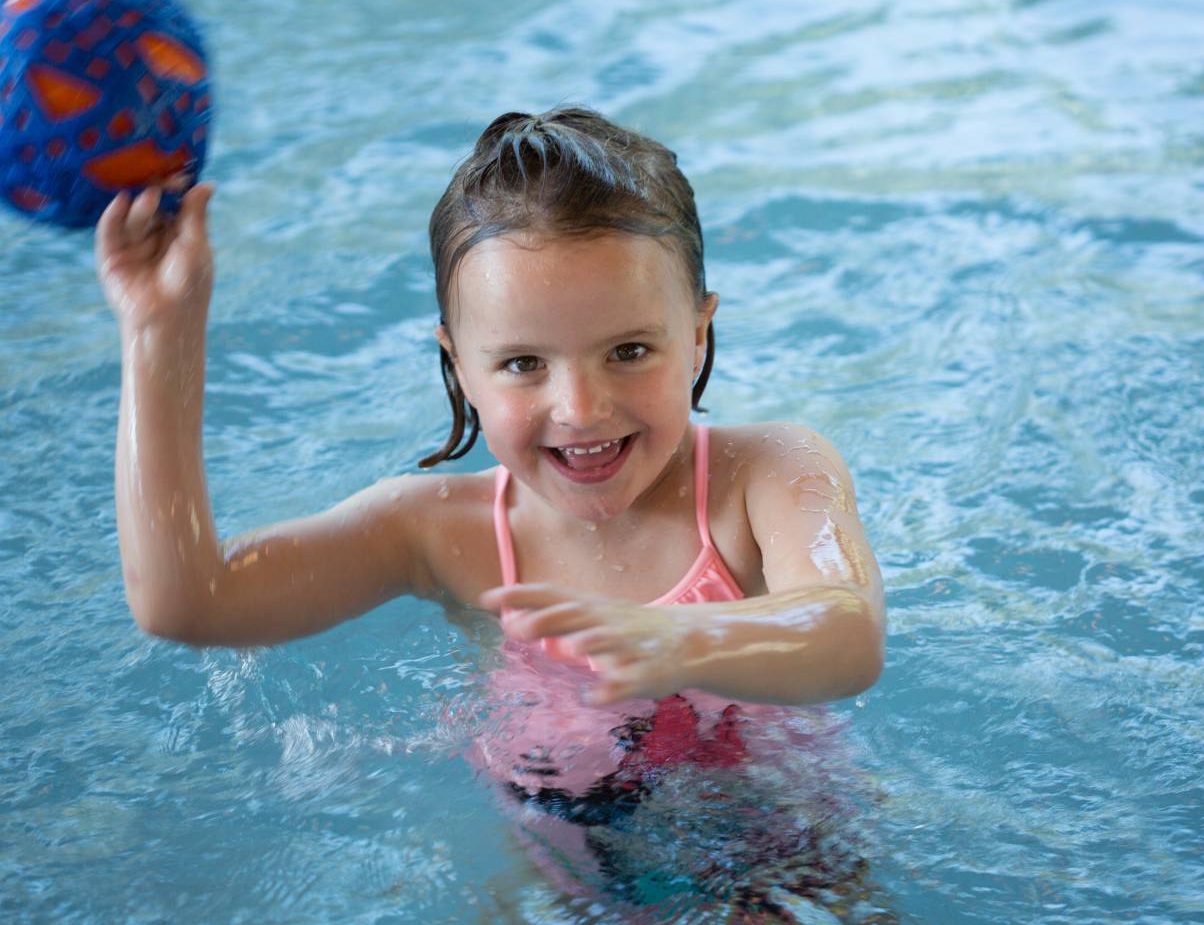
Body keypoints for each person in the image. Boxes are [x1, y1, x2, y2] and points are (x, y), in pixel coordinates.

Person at [97, 106, 887, 910]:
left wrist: (677, 635)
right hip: (575, 877)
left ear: (699, 333)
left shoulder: (768, 474)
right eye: (521, 363)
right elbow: (188, 602)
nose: (580, 407)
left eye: (630, 351)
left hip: (785, 852)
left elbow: (847, 634)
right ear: (459, 366)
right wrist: (161, 329)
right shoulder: (435, 533)